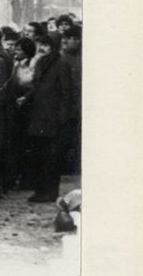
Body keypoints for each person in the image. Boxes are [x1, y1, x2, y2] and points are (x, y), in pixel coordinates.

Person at [26, 34, 73, 203]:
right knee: (39, 155)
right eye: (41, 45)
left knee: (52, 157)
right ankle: (40, 190)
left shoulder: (61, 64)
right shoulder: (40, 63)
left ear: (53, 47)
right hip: (39, 116)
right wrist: (26, 98)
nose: (42, 48)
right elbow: (36, 86)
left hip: (52, 117)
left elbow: (67, 93)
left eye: (46, 45)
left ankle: (50, 192)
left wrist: (62, 118)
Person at [5, 37, 37, 191]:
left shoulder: (32, 65)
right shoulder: (16, 64)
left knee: (25, 143)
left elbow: (35, 85)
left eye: (19, 49)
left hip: (27, 107)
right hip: (16, 106)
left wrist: (26, 97)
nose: (15, 51)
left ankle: (27, 178)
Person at [61, 25, 82, 176]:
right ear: (65, 40)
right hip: (66, 105)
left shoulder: (83, 57)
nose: (74, 41)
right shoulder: (61, 58)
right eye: (71, 39)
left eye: (76, 39)